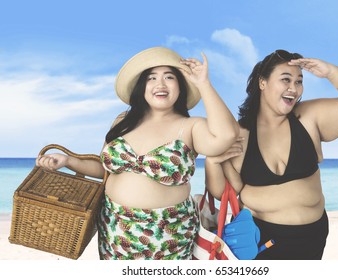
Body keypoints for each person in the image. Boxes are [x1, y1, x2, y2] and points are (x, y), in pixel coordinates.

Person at [36, 46, 239, 260]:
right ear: (142, 87)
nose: (160, 84)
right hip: (115, 230)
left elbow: (226, 136)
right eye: (152, 78)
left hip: (169, 237)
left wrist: (204, 84)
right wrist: (68, 161)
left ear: (180, 87)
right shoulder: (123, 121)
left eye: (169, 77)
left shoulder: (190, 126)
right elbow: (105, 170)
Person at [205, 49, 338, 260]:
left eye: (299, 81)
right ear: (262, 83)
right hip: (261, 241)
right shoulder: (240, 134)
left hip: (312, 237)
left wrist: (331, 72)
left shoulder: (308, 117)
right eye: (286, 79)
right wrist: (212, 160)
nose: (293, 88)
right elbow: (223, 191)